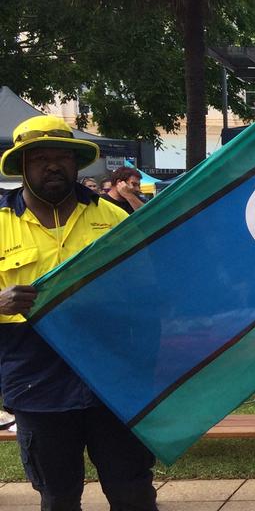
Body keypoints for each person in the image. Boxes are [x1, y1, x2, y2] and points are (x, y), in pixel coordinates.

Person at [0, 115, 158, 510]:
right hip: (37, 386)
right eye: (39, 159)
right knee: (58, 498)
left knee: (132, 493)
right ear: (22, 167)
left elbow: (149, 295)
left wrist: (144, 372)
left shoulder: (114, 219)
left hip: (114, 380)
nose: (52, 165)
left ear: (76, 164)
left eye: (62, 157)